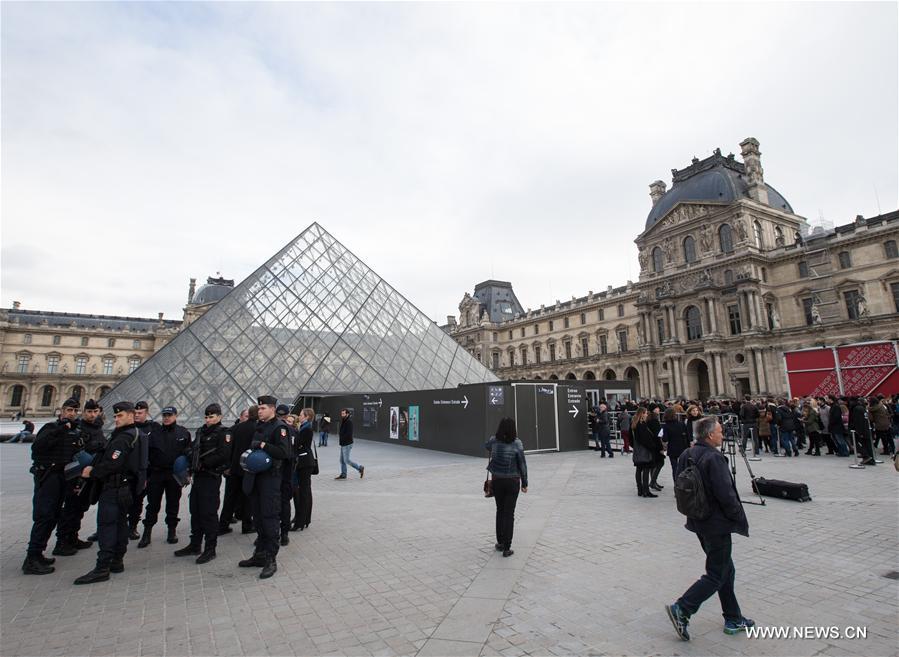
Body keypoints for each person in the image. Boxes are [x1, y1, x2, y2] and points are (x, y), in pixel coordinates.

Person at [666, 416, 754, 641]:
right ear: (709, 435)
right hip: (716, 523)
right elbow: (726, 494)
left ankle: (733, 617)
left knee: (726, 569)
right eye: (720, 432)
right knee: (716, 573)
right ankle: (683, 608)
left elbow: (680, 484)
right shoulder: (714, 458)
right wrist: (736, 516)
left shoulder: (688, 453)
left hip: (698, 520)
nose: (722, 435)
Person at [73, 401, 145, 584]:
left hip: (113, 488)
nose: (116, 419)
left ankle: (102, 567)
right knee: (121, 525)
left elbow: (113, 463)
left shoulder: (123, 438)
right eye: (115, 416)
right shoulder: (137, 434)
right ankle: (117, 560)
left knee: (107, 526)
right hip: (126, 488)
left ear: (130, 415)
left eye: (120, 416)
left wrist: (92, 472)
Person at [22, 397, 82, 574]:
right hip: (48, 476)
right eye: (69, 410)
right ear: (62, 411)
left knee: (54, 515)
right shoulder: (51, 428)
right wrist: (61, 430)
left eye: (74, 411)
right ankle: (31, 558)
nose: (71, 413)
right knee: (45, 515)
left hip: (62, 477)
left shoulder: (74, 433)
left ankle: (38, 553)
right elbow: (38, 448)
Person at [239, 395, 290, 579]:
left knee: (269, 519)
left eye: (262, 409)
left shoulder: (280, 428)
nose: (259, 411)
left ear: (272, 409)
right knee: (259, 519)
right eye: (258, 408)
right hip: (256, 478)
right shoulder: (259, 426)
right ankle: (259, 555)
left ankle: (271, 560)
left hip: (270, 480)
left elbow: (284, 453)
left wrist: (262, 444)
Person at [174, 404, 232, 564]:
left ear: (219, 417)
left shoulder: (224, 433)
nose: (208, 420)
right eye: (206, 417)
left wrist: (203, 463)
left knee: (208, 513)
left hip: (210, 477)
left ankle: (210, 548)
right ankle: (195, 544)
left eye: (211, 417)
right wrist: (190, 454)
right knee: (195, 511)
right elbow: (192, 448)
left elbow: (224, 454)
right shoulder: (200, 431)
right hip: (198, 477)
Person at [55, 399, 107, 554]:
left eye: (95, 412)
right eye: (89, 412)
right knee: (71, 508)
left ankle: (73, 537)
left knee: (80, 508)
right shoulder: (78, 427)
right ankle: (62, 542)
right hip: (77, 475)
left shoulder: (98, 428)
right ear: (84, 412)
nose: (92, 415)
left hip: (90, 474)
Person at [138, 406, 191, 548]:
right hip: (157, 473)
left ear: (175, 415)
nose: (166, 417)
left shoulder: (183, 432)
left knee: (173, 503)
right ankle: (147, 532)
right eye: (164, 415)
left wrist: (187, 474)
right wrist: (145, 476)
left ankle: (171, 530)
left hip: (174, 474)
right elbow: (146, 456)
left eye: (169, 415)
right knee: (152, 505)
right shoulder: (153, 433)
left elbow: (188, 454)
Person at [485, 417, 528, 557]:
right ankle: (507, 548)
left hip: (497, 481)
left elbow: (486, 446)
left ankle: (500, 542)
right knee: (509, 513)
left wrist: (495, 438)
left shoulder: (493, 440)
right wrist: (525, 483)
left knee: (500, 510)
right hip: (512, 482)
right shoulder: (517, 443)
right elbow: (522, 463)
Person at [220, 405, 258, 535]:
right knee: (248, 498)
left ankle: (223, 524)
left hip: (234, 469)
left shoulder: (236, 428)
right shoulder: (258, 429)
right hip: (248, 469)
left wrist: (227, 466)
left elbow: (227, 449)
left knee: (229, 498)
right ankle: (247, 525)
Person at [127, 401, 156, 539]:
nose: (137, 415)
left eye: (140, 413)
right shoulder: (126, 427)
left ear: (147, 413)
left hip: (144, 471)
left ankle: (132, 526)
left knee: (137, 501)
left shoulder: (153, 428)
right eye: (135, 413)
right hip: (128, 471)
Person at [292, 408, 317, 531]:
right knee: (306, 491)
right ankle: (305, 519)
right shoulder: (305, 427)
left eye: (301, 415)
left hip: (304, 463)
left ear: (306, 416)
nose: (299, 416)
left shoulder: (306, 429)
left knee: (304, 493)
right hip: (306, 462)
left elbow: (297, 444)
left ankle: (300, 522)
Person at [275, 405, 297, 545]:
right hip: (287, 472)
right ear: (287, 414)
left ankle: (271, 533)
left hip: (275, 472)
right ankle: (284, 534)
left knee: (271, 505)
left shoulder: (274, 429)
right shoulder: (292, 430)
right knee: (285, 503)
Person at [631, 408, 656, 498]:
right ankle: (646, 491)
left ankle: (640, 490)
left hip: (637, 450)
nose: (647, 415)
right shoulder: (641, 425)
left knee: (638, 469)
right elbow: (645, 439)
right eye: (645, 413)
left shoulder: (634, 424)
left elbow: (631, 439)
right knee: (645, 469)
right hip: (644, 450)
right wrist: (652, 447)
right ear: (641, 414)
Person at [335, 408, 364, 480]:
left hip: (347, 444)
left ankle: (359, 468)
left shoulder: (349, 422)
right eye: (341, 414)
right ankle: (343, 474)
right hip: (343, 443)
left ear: (347, 414)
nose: (342, 415)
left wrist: (342, 438)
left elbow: (349, 434)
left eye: (343, 414)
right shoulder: (344, 421)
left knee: (346, 460)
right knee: (342, 460)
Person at [662, 407, 689, 479]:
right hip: (682, 447)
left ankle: (676, 483)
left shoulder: (666, 426)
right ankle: (683, 482)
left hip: (672, 448)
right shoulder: (681, 424)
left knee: (674, 468)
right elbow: (687, 435)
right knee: (683, 467)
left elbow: (665, 439)